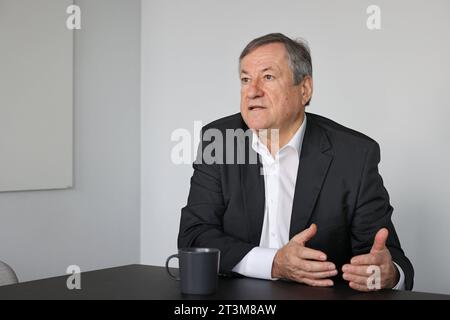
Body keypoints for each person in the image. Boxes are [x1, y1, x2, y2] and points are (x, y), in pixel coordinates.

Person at [178, 33, 414, 291]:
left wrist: (389, 275)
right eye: (245, 80)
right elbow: (194, 236)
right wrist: (274, 263)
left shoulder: (354, 155)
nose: (252, 91)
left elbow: (390, 260)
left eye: (268, 77)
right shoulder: (220, 141)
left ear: (305, 89)